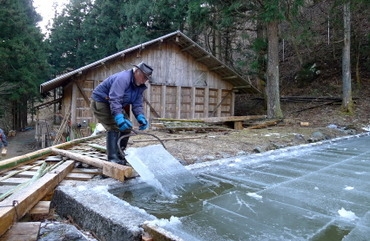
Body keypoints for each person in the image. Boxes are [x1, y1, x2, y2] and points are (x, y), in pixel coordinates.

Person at [90, 62, 152, 165]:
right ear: (136, 71)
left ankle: (120, 154)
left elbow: (137, 104)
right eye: (143, 77)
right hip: (101, 102)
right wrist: (119, 118)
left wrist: (140, 116)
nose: (144, 80)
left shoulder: (139, 86)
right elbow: (115, 98)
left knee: (127, 127)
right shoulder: (123, 78)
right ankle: (113, 158)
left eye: (147, 78)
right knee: (114, 126)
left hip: (115, 104)